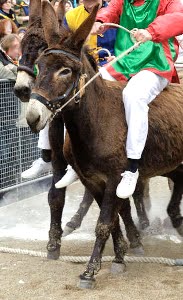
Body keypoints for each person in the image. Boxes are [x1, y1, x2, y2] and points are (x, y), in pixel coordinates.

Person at [56, 0, 183, 198]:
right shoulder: (123, 1)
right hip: (125, 61)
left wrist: (152, 31)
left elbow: (178, 17)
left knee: (133, 95)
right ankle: (75, 160)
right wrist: (99, 21)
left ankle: (132, 167)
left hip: (156, 62)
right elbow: (111, 10)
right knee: (83, 87)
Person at [21, 0, 116, 180]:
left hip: (109, 65)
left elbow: (123, 43)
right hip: (79, 67)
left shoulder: (113, 12)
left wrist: (115, 57)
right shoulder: (72, 15)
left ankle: (79, 160)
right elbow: (61, 43)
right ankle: (46, 155)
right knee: (51, 99)